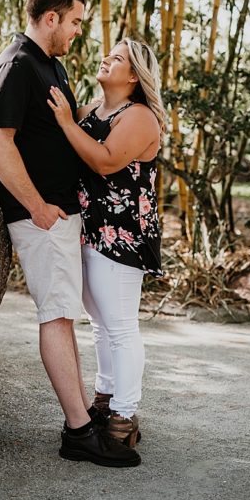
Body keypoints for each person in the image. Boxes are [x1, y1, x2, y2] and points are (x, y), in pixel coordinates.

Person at [0, 0, 140, 467]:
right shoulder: (17, 65)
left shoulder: (50, 66)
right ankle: (78, 433)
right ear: (50, 18)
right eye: (74, 21)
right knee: (56, 314)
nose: (77, 32)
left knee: (65, 315)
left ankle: (82, 424)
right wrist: (36, 206)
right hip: (42, 216)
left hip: (60, 213)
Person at [47, 38, 165, 449]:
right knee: (99, 323)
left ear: (134, 75)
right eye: (108, 53)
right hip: (89, 227)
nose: (106, 58)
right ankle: (105, 396)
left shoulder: (140, 117)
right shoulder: (91, 112)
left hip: (122, 233)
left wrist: (64, 124)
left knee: (120, 326)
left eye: (117, 58)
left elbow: (106, 160)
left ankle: (124, 415)